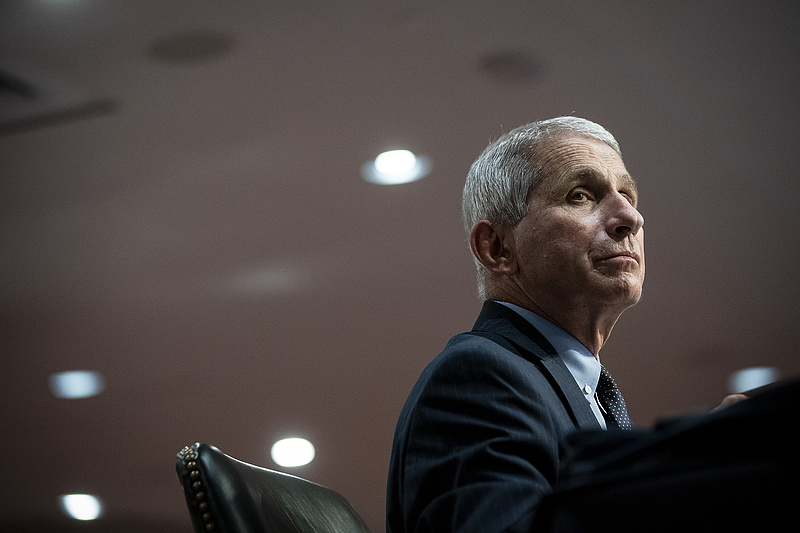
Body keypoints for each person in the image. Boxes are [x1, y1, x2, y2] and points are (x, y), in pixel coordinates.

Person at [386, 117, 646, 533]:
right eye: (580, 195)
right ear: (497, 247)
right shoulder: (479, 377)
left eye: (627, 195)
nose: (629, 216)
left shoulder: (584, 392)